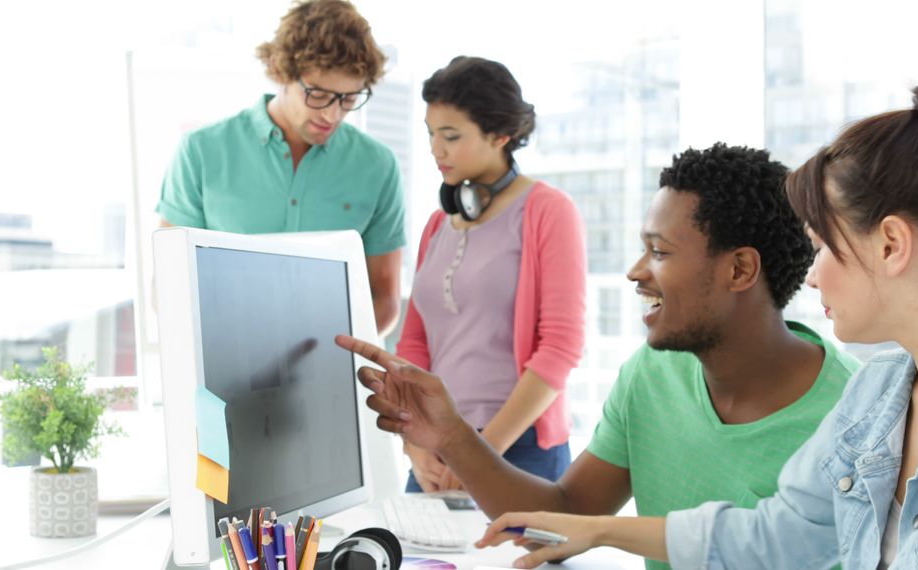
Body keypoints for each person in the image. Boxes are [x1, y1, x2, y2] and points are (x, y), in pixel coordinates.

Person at [477, 72, 918, 569]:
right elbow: (777, 534)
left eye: (823, 247)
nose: (811, 275)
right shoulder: (879, 393)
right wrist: (601, 533)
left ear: (890, 245)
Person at [338, 143, 861, 570]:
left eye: (659, 252)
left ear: (741, 271)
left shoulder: (854, 415)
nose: (636, 272)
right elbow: (567, 514)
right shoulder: (653, 373)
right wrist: (452, 437)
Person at [156, 0, 405, 334]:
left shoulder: (377, 166)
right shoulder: (201, 151)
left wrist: (335, 353)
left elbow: (385, 296)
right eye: (317, 94)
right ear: (281, 71)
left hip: (334, 370)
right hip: (225, 366)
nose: (331, 115)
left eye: (347, 99)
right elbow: (170, 285)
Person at [396, 56, 586, 492]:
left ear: (500, 136)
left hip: (519, 452)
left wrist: (480, 453)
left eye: (451, 136)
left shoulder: (549, 212)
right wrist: (414, 442)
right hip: (435, 452)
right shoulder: (435, 225)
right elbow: (413, 345)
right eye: (430, 133)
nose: (435, 149)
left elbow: (561, 347)